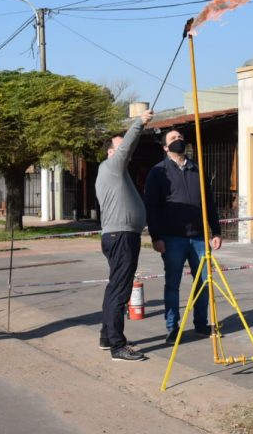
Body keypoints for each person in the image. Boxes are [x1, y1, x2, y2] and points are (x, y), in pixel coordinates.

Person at [144, 129, 222, 344]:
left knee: (204, 282)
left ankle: (201, 323)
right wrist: (156, 237)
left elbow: (209, 203)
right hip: (172, 238)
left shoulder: (197, 170)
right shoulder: (158, 172)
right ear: (165, 147)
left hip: (198, 238)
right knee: (172, 284)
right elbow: (152, 208)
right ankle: (172, 328)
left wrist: (215, 231)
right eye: (173, 139)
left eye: (180, 137)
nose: (178, 140)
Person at [95, 109, 154, 362]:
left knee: (115, 288)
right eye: (119, 149)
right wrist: (139, 123)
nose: (125, 153)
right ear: (110, 152)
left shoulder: (118, 173)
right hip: (121, 237)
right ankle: (117, 346)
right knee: (120, 290)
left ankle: (107, 336)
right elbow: (127, 145)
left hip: (121, 236)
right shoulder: (111, 167)